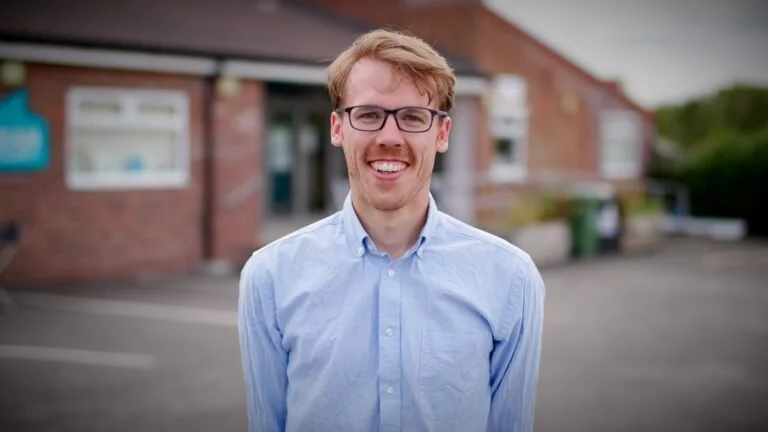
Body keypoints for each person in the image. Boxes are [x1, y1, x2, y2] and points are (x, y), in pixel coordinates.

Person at [238, 28, 546, 432]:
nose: (389, 137)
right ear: (337, 128)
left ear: (442, 134)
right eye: (368, 114)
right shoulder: (270, 275)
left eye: (412, 117)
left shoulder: (511, 278)